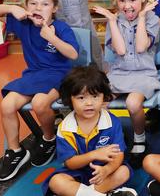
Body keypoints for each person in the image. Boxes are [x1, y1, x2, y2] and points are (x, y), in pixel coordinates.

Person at [0, 0, 79, 182]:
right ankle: (16, 151)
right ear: (27, 6)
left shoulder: (61, 28)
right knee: (6, 104)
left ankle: (49, 138)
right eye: (33, 3)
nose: (38, 8)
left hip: (59, 75)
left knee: (40, 103)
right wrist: (11, 8)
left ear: (54, 8)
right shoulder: (23, 23)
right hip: (33, 75)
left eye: (45, 4)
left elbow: (73, 54)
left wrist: (53, 38)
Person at [93, 0, 160, 167]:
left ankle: (139, 139)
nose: (127, 5)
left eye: (132, 0)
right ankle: (105, 138)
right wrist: (113, 22)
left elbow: (141, 47)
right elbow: (120, 51)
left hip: (144, 75)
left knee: (132, 103)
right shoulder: (115, 20)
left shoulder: (152, 19)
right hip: (119, 73)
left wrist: (140, 18)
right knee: (100, 101)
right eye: (122, 1)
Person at [43, 66, 136, 196]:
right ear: (70, 99)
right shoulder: (65, 128)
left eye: (95, 96)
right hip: (76, 173)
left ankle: (82, 193)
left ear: (104, 98)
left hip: (104, 172)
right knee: (56, 181)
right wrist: (94, 154)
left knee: (124, 171)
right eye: (81, 98)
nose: (89, 103)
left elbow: (118, 155)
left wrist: (107, 170)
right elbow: (70, 163)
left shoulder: (112, 121)